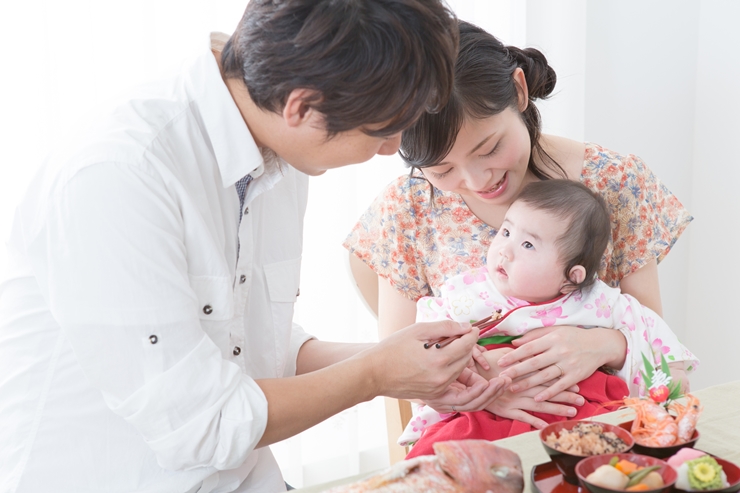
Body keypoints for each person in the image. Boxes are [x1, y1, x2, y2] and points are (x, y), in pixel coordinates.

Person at [0, 3, 512, 492]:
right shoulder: (119, 175)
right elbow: (202, 423)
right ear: (303, 107)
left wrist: (413, 364)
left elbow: (248, 341)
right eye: (382, 130)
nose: (388, 148)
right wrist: (377, 373)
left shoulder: (280, 152)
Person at [344, 21, 693, 428]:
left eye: (489, 148)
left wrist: (601, 345)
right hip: (469, 428)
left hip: (593, 430)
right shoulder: (409, 207)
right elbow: (401, 367)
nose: (477, 182)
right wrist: (488, 386)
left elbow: (659, 354)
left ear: (519, 91)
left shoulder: (612, 181)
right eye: (442, 170)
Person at [396, 179, 697, 458]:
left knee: (620, 450)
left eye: (528, 245)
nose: (505, 250)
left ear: (571, 277)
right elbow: (424, 341)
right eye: (506, 231)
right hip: (483, 412)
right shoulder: (466, 292)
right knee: (446, 454)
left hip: (574, 408)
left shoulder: (598, 301)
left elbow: (649, 331)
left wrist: (663, 370)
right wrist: (465, 362)